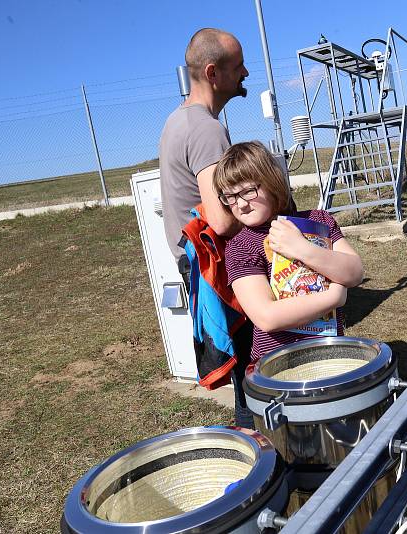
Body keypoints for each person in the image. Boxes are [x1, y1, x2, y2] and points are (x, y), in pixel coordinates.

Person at [158, 28, 251, 427]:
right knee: (252, 368)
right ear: (213, 73)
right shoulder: (206, 129)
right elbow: (221, 218)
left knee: (243, 372)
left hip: (195, 260)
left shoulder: (178, 120)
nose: (246, 72)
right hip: (216, 263)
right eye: (238, 66)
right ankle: (262, 448)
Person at [215, 141, 364, 369]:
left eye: (248, 191)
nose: (241, 204)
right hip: (280, 366)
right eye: (230, 196)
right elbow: (267, 317)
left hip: (332, 352)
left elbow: (354, 272)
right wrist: (333, 298)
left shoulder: (318, 222)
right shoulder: (240, 247)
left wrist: (301, 248)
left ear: (271, 182)